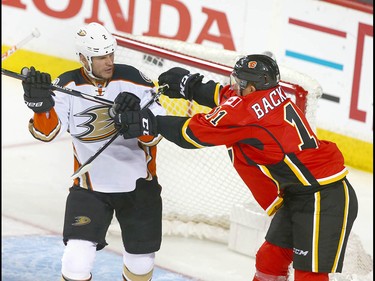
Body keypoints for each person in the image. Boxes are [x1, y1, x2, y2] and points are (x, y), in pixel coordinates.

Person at [112, 54, 358, 281]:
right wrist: (192, 87)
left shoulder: (247, 112)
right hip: (302, 193)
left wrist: (149, 122)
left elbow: (193, 134)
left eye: (239, 82)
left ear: (252, 87)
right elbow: (227, 97)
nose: (234, 86)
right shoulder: (269, 95)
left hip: (323, 197)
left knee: (309, 276)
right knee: (270, 259)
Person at [21, 22, 166, 281]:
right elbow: (48, 133)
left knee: (141, 263)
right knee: (76, 262)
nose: (109, 61)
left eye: (111, 54)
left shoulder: (133, 79)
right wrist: (40, 106)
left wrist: (137, 118)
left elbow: (158, 133)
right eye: (100, 57)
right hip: (90, 186)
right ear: (83, 58)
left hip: (139, 185)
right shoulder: (67, 84)